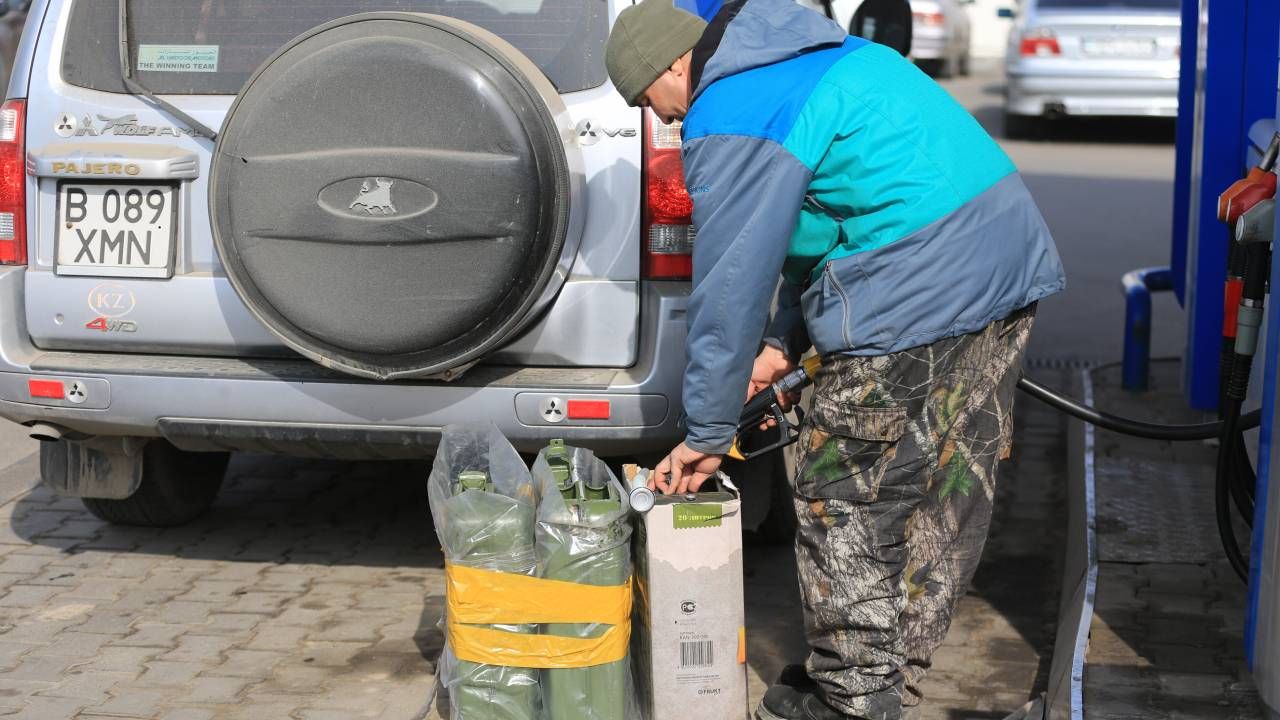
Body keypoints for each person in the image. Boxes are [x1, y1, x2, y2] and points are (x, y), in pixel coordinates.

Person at [604, 0, 1066, 718]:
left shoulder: (728, 107)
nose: (664, 119)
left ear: (672, 66)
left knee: (838, 497)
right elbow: (812, 227)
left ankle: (856, 702)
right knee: (943, 492)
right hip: (1002, 264)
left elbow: (730, 281)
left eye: (651, 101)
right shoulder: (817, 56)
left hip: (916, 283)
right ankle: (883, 679)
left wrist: (705, 431)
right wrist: (782, 344)